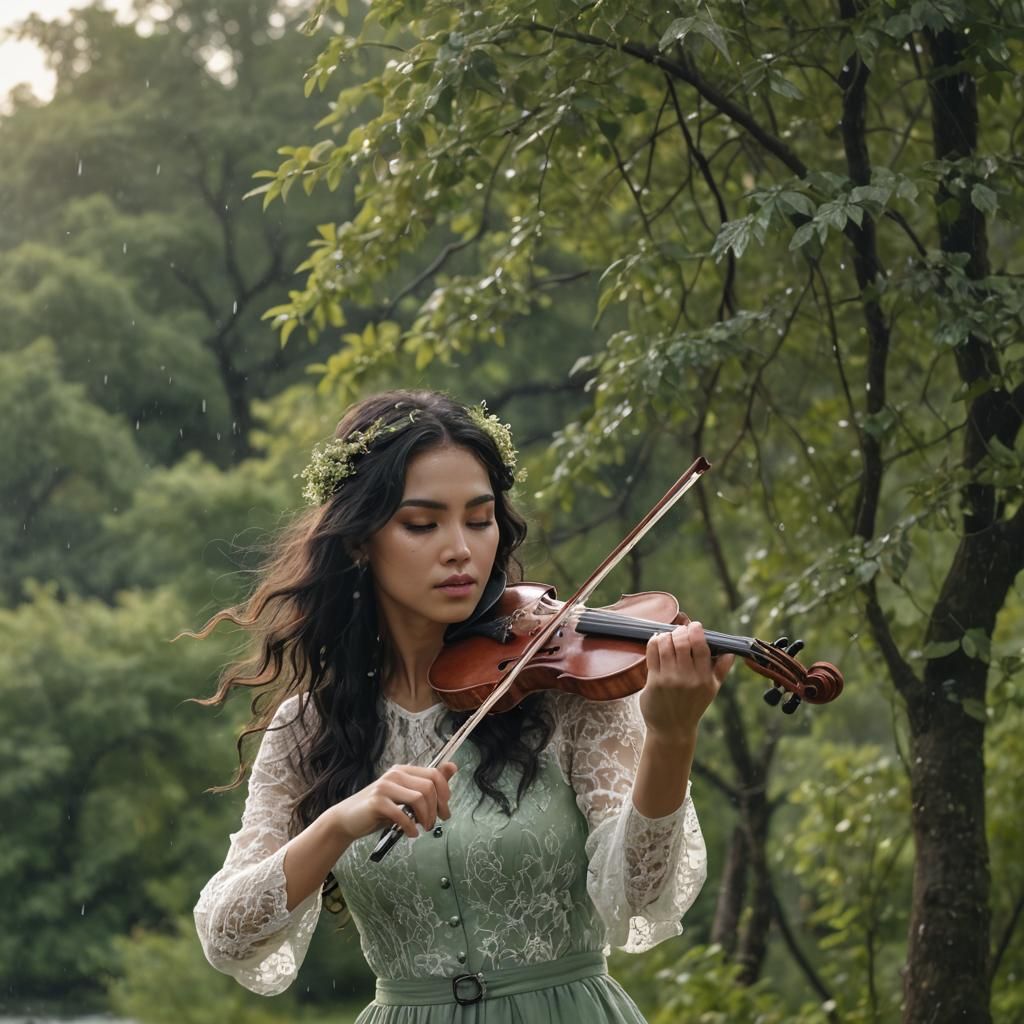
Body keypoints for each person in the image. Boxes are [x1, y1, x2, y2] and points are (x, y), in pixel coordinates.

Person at [191, 389, 731, 1022]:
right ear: (361, 541)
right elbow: (228, 938)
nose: (461, 550)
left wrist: (671, 738)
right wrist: (339, 822)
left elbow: (639, 895)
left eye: (479, 519)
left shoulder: (563, 692)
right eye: (423, 524)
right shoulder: (309, 727)